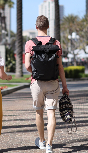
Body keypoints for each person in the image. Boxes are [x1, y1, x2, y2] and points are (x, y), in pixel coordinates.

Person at [25, 15, 69, 153]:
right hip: (53, 82)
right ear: (48, 27)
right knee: (51, 113)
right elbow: (60, 67)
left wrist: (35, 72)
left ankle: (42, 142)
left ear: (36, 26)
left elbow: (27, 66)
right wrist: (65, 86)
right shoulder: (56, 43)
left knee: (39, 113)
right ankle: (49, 145)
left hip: (37, 83)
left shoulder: (30, 43)